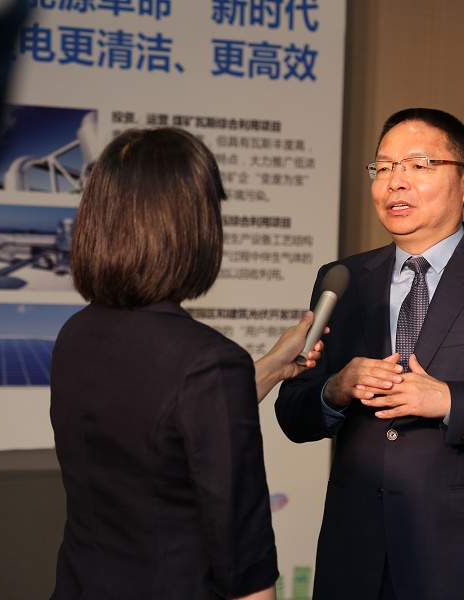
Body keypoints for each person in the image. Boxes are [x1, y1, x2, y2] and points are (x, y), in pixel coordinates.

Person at [275, 108, 464, 599]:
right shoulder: (343, 280)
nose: (395, 182)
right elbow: (292, 415)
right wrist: (335, 390)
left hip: (460, 558)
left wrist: (449, 401)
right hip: (354, 556)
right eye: (384, 167)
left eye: (419, 165)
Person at [50, 127, 325, 600]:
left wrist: (274, 366)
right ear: (193, 227)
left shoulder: (76, 334)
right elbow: (246, 572)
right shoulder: (208, 364)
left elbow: (163, 424)